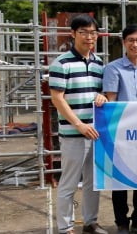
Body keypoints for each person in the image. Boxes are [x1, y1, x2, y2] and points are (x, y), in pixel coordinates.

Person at [49, 14, 108, 234]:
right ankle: (65, 228)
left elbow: (101, 92)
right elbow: (57, 99)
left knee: (93, 183)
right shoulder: (61, 63)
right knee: (69, 183)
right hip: (74, 134)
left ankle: (90, 222)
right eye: (84, 32)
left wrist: (102, 95)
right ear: (73, 34)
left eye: (93, 32)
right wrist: (79, 125)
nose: (89, 37)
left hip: (95, 133)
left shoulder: (99, 63)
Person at [102, 25, 137, 234]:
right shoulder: (113, 68)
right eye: (131, 40)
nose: (135, 44)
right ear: (123, 42)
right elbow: (111, 101)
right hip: (122, 132)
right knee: (120, 180)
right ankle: (122, 222)